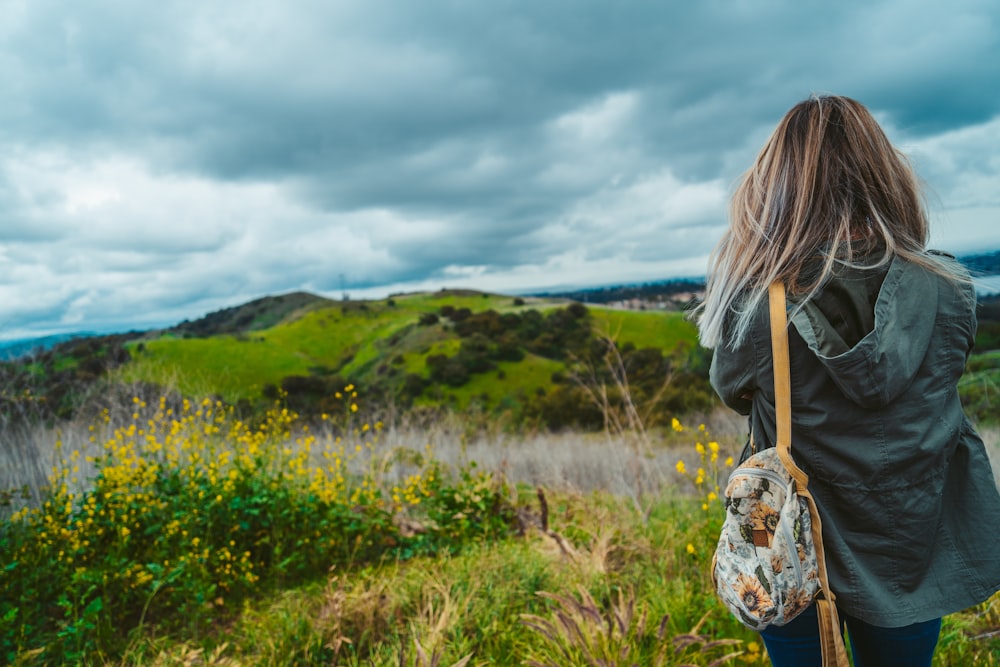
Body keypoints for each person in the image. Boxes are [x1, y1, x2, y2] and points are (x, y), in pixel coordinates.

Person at [697, 94, 1000, 667]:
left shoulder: (758, 304)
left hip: (792, 547)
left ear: (776, 189)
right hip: (912, 541)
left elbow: (732, 390)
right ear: (887, 177)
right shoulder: (950, 288)